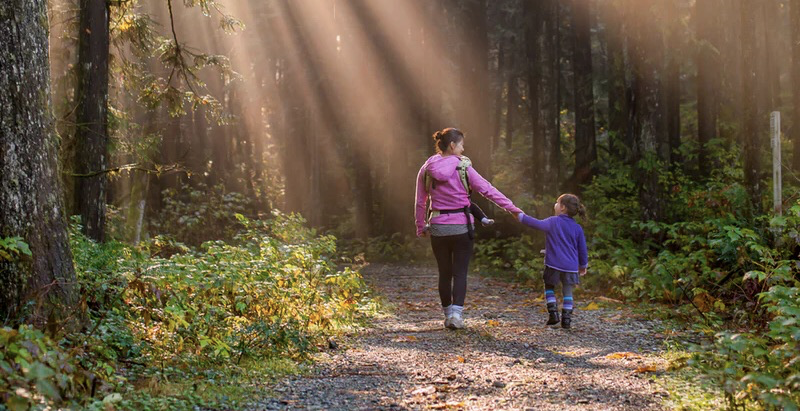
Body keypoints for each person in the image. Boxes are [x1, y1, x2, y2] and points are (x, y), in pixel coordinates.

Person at [415, 127, 522, 329]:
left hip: (438, 227)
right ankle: (457, 315)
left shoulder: (427, 168)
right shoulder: (463, 167)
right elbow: (488, 190)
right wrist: (512, 209)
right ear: (453, 145)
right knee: (460, 273)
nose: (463, 149)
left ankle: (447, 316)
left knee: (444, 273)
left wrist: (421, 226)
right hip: (462, 227)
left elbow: (420, 201)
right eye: (462, 144)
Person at [516, 194, 588, 329]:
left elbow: (535, 223)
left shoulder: (553, 221)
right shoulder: (577, 228)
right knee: (568, 291)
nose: (555, 205)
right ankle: (566, 319)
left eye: (557, 202)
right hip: (571, 267)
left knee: (549, 287)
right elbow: (582, 249)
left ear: (562, 208)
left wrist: (520, 216)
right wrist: (583, 265)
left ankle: (553, 313)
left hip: (553, 264)